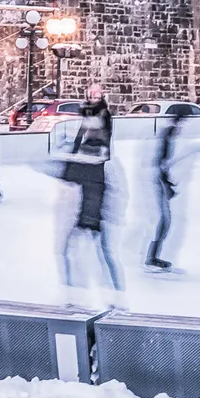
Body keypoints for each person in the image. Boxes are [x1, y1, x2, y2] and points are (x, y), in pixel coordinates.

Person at [58, 84, 122, 307]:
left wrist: (90, 218)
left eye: (98, 95)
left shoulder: (98, 157)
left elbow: (98, 185)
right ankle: (81, 296)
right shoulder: (83, 152)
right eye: (91, 94)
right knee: (76, 252)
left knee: (99, 254)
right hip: (84, 210)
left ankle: (112, 298)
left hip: (91, 213)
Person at [147, 107, 200, 272]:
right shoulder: (169, 134)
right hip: (161, 181)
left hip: (162, 180)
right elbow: (162, 162)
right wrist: (167, 184)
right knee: (165, 222)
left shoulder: (170, 133)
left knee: (165, 222)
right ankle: (151, 257)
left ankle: (152, 256)